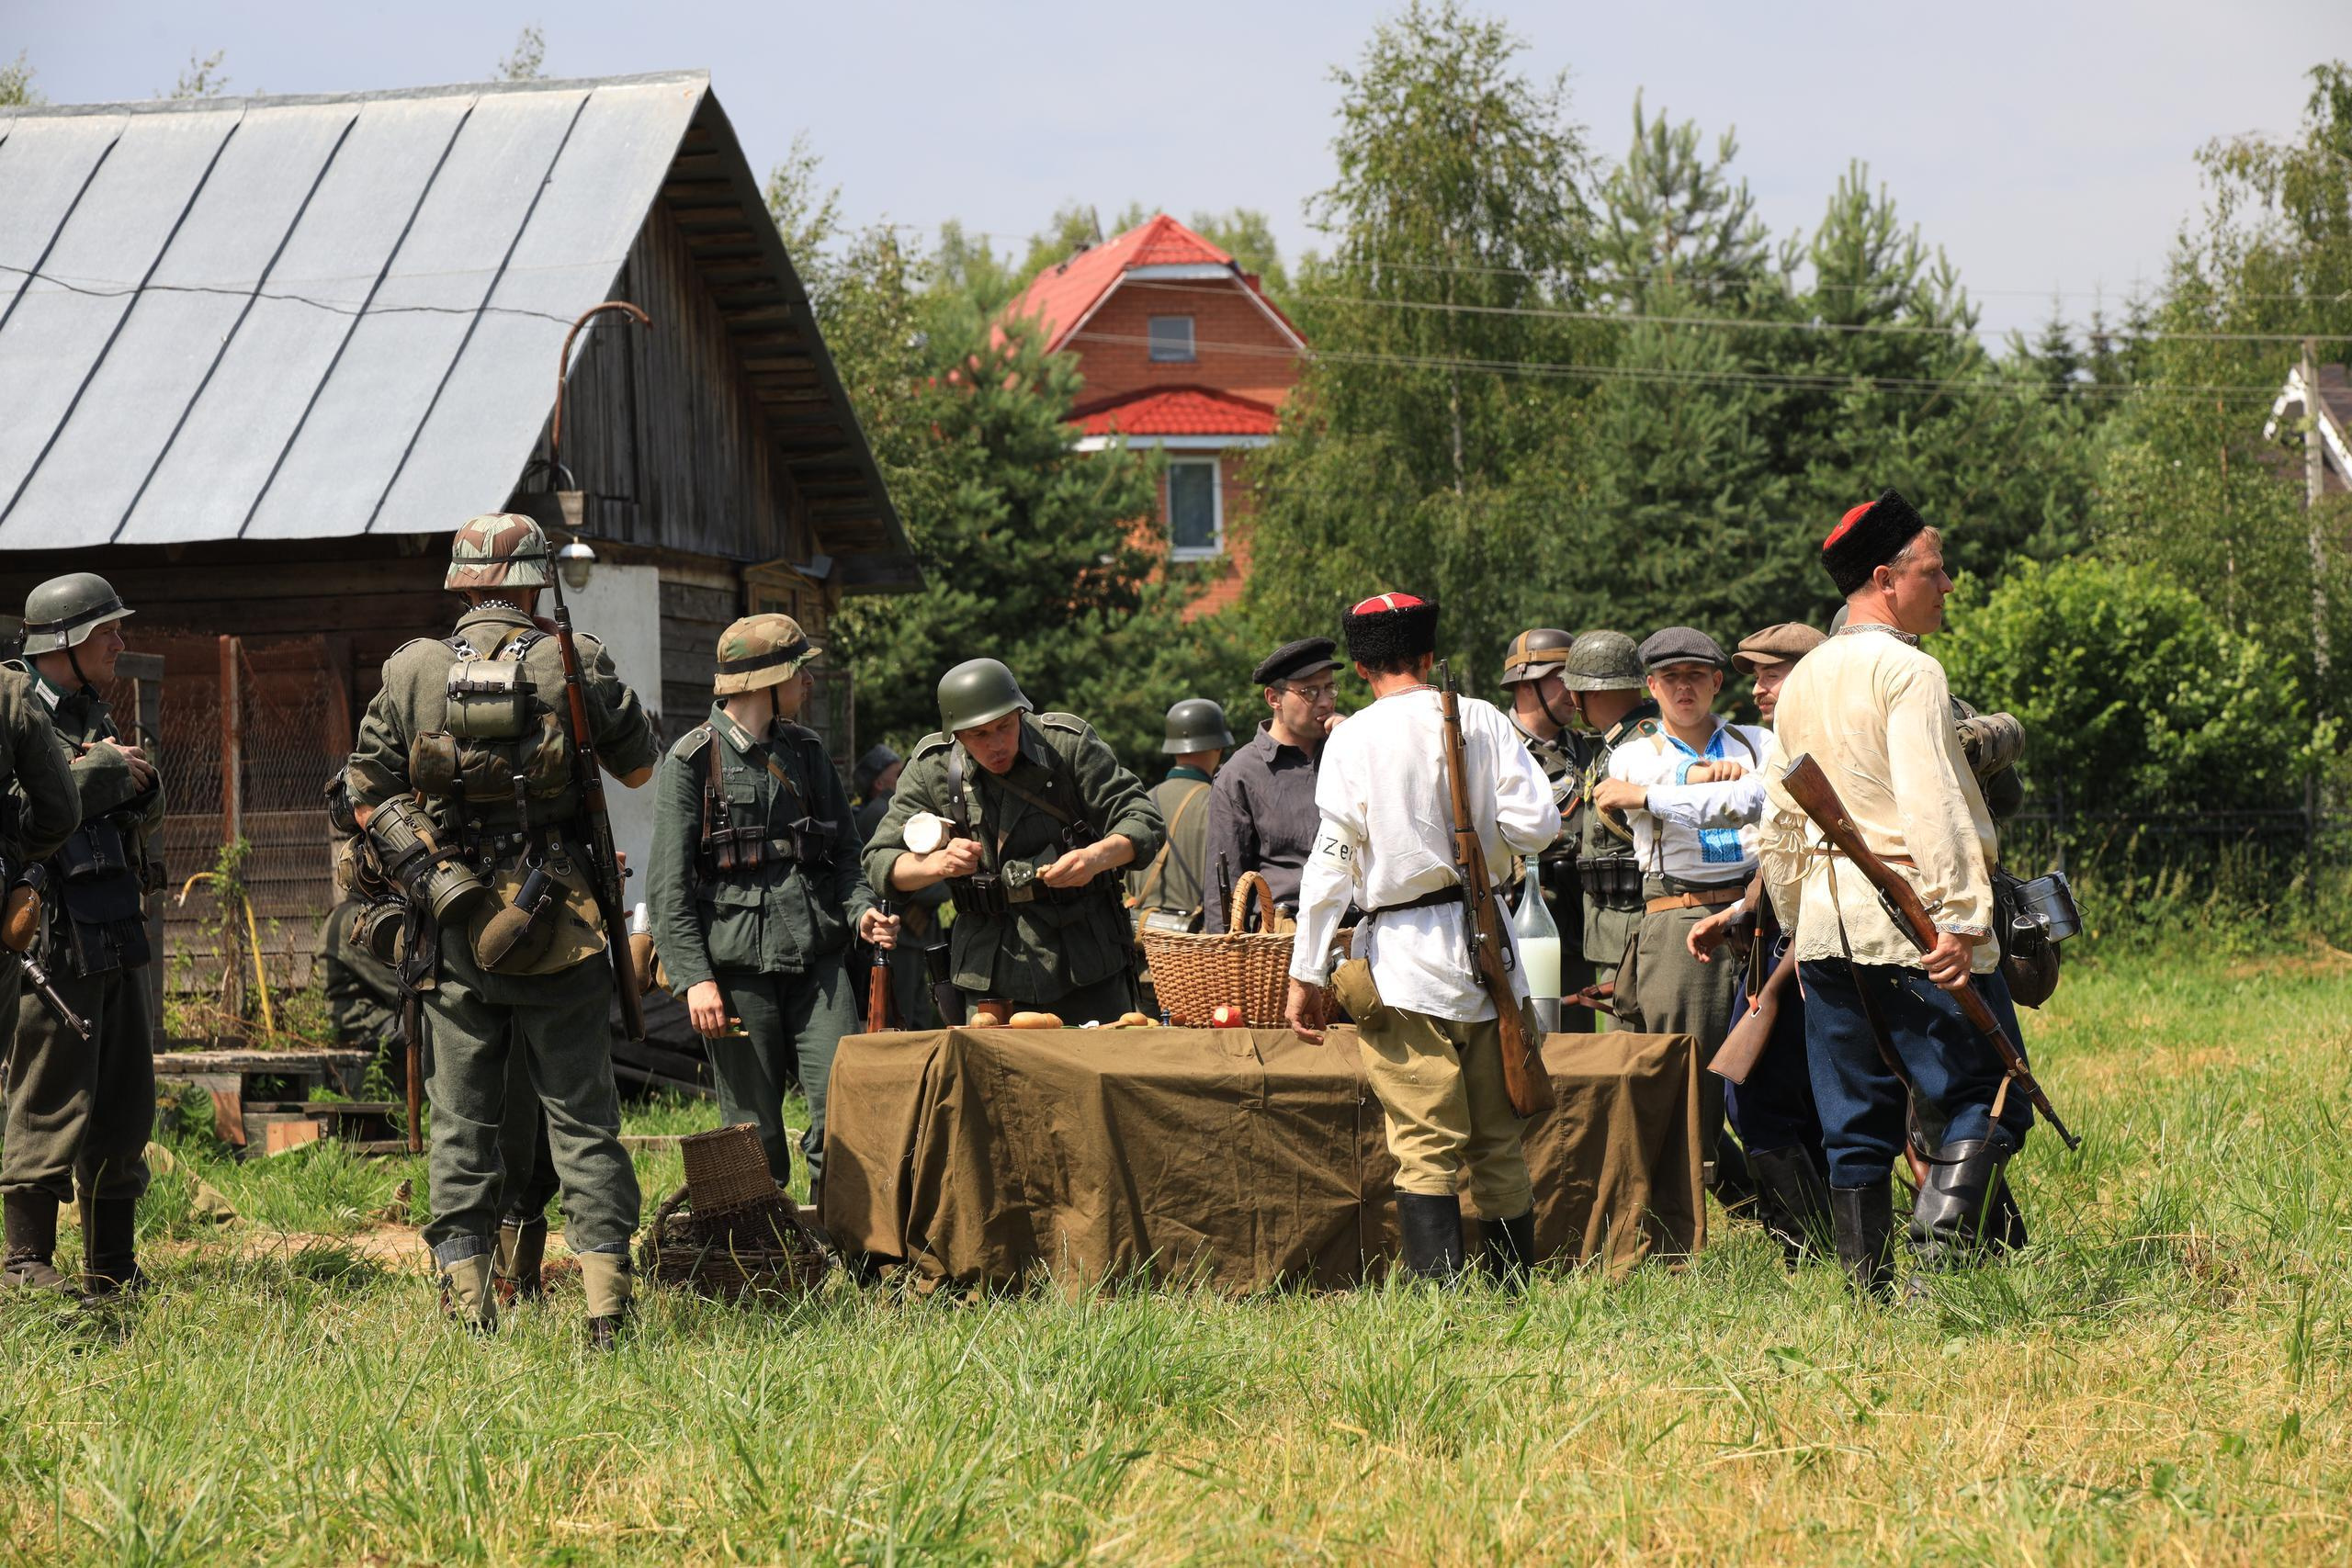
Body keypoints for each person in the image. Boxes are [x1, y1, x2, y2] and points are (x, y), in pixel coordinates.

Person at [345, 513, 660, 1345]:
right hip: (565, 925)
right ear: (529, 582)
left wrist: (429, 872)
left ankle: (470, 1312)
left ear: (463, 582)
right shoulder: (572, 658)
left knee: (462, 1121)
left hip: (453, 928)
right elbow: (639, 764)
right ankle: (605, 1317)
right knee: (584, 1119)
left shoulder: (412, 669)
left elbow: (363, 792)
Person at [1761, 489, 2034, 1299]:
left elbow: (1778, 823)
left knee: (1855, 1126)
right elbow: (1935, 805)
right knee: (1991, 1097)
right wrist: (1959, 920)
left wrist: (1795, 930)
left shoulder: (1802, 679)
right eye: (1934, 569)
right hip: (1916, 925)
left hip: (1824, 927)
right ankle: (1938, 1276)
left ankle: (1867, 1297)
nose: (1947, 584)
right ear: (1886, 577)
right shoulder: (1910, 669)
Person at [1284, 594, 1559, 1282]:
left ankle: (1441, 1307)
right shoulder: (1487, 720)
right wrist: (1481, 834)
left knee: (1423, 1145)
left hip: (1404, 959)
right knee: (1499, 1143)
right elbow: (1541, 827)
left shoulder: (1352, 738)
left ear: (1358, 666)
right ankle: (1510, 1296)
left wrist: (1307, 969)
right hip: (1490, 949)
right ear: (1429, 656)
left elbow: (1330, 865)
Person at [647, 614, 896, 1195]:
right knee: (751, 1133)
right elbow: (667, 890)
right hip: (735, 973)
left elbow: (845, 857)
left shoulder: (807, 754)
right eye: (799, 674)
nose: (807, 685)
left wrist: (861, 910)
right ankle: (770, 1266)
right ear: (765, 682)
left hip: (820, 964)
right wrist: (696, 981)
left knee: (844, 1116)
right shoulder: (691, 763)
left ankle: (852, 1257)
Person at [865, 659, 1163, 1024]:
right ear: (956, 734)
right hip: (991, 973)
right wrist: (936, 864)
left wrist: (1096, 858)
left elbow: (1142, 819)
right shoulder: (934, 767)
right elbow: (880, 860)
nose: (997, 744)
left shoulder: (1066, 746)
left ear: (1020, 712)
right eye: (980, 735)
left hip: (1087, 963)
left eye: (1005, 726)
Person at [1592, 627, 1770, 1191]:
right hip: (1680, 916)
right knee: (1685, 1074)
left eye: (1695, 676)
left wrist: (1656, 795)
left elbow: (1759, 797)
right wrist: (1693, 776)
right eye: (1670, 678)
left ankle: (1786, 1213)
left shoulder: (1756, 743)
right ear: (1650, 685)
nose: (1683, 687)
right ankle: (1679, 1222)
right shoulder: (1634, 753)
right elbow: (1624, 784)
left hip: (1760, 906)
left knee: (1773, 1069)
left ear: (1718, 682)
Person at [0, 576, 121, 1296]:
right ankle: (24, 1259)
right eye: (107, 630)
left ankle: (113, 1257)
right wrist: (103, 772)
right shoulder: (21, 705)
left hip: (107, 914)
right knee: (47, 1088)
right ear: (66, 642)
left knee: (120, 1097)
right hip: (44, 922)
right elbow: (28, 810)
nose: (121, 641)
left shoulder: (87, 711)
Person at [1204, 638, 1339, 933]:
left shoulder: (1347, 749)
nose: (1326, 701)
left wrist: (1357, 743)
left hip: (1358, 929)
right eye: (1310, 691)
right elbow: (1223, 889)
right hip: (1284, 938)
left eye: (1329, 687)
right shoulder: (1240, 774)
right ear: (1273, 698)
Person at [1497, 627, 1590, 1025]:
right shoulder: (1493, 747)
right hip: (1521, 920)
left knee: (1583, 1050)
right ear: (1528, 686)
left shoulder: (1586, 748)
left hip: (1582, 924)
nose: (1576, 690)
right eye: (1563, 677)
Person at [1557, 631, 1658, 995]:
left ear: (1591, 692)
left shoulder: (1639, 749)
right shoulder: (1614, 745)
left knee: (1632, 1047)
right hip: (1619, 933)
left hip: (1638, 937)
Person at [1128, 698, 1233, 931]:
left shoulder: (1141, 800)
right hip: (1195, 947)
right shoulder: (1219, 803)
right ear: (1218, 746)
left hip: (1143, 940)